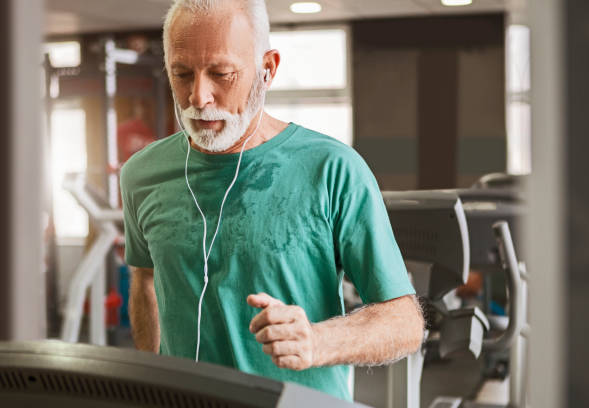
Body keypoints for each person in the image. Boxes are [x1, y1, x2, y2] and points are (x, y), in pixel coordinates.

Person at [121, 0, 424, 401]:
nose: (199, 96)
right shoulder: (141, 174)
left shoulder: (332, 169)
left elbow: (405, 323)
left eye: (221, 73)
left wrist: (317, 341)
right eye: (181, 74)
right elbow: (145, 281)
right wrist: (152, 382)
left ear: (268, 69)